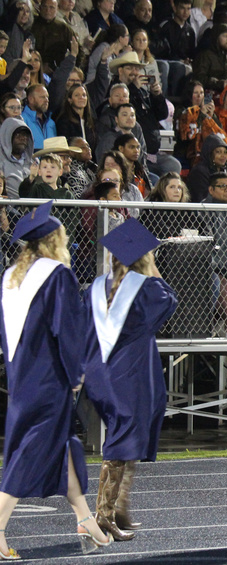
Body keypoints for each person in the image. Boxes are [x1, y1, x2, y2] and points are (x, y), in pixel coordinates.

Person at [0, 202, 114, 559]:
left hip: (22, 376)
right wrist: (76, 371)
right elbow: (66, 328)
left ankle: (85, 520)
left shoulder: (9, 276)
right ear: (55, 240)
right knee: (30, 451)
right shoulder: (56, 275)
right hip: (50, 378)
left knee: (63, 445)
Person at [83, 218, 176, 541]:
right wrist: (151, 269)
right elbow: (169, 302)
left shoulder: (95, 288)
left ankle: (118, 507)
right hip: (131, 372)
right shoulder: (149, 288)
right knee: (122, 441)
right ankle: (103, 516)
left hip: (99, 371)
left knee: (124, 439)